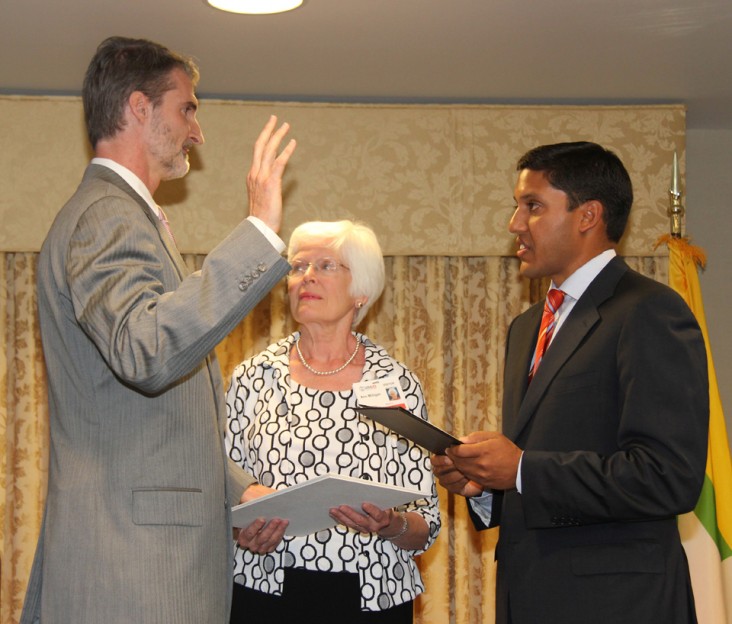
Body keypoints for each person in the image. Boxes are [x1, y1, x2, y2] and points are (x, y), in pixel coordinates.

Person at [21, 36, 296, 624]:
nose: (197, 131)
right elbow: (145, 353)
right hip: (133, 572)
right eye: (187, 109)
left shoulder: (124, 216)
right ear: (140, 108)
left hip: (141, 565)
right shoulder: (106, 216)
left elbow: (143, 415)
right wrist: (258, 236)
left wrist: (234, 490)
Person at [431, 142, 709, 624]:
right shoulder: (526, 327)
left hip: (619, 606)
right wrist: (486, 486)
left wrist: (519, 470)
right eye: (517, 206)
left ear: (588, 216)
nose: (515, 224)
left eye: (533, 206)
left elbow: (668, 478)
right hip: (529, 597)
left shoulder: (648, 310)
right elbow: (544, 466)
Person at [226, 220, 441, 623]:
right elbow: (226, 487)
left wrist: (391, 524)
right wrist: (241, 527)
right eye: (296, 266)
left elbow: (425, 522)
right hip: (266, 588)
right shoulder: (253, 377)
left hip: (373, 594)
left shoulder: (395, 383)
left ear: (361, 289)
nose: (305, 277)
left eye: (325, 266)